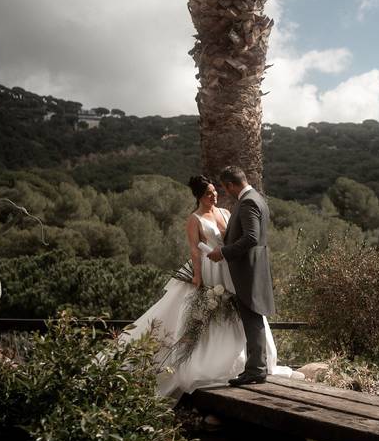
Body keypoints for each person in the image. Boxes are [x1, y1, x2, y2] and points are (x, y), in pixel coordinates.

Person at [120, 174, 290, 399]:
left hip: (230, 267)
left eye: (215, 191)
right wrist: (197, 277)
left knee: (240, 309)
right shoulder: (194, 219)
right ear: (199, 196)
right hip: (211, 268)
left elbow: (236, 238)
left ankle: (249, 363)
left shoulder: (226, 212)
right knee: (212, 311)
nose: (214, 195)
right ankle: (210, 364)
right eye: (209, 193)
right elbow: (194, 250)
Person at [207, 166, 278, 387]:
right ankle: (256, 367)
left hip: (249, 268)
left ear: (230, 185)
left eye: (225, 188)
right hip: (254, 266)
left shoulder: (247, 202)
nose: (226, 192)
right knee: (253, 316)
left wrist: (223, 252)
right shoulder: (257, 197)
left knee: (252, 316)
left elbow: (251, 238)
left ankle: (256, 370)